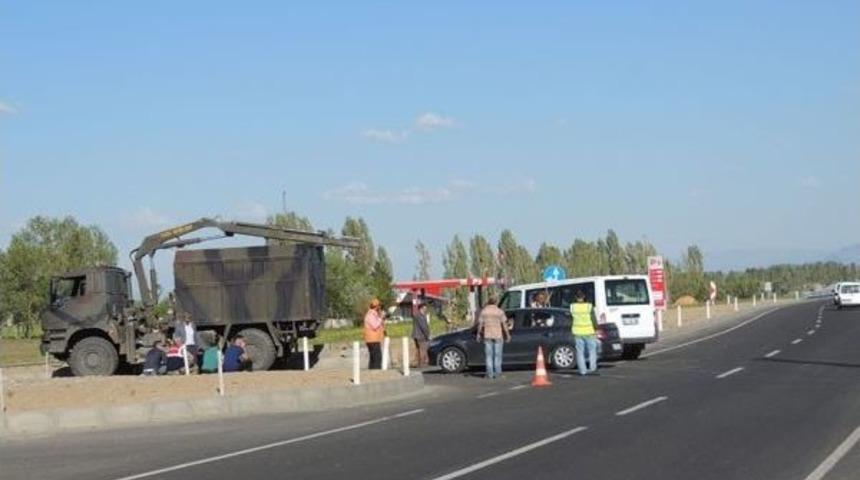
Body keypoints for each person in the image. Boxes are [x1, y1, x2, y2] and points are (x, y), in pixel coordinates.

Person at [476, 297, 510, 379]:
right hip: (498, 335)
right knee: (497, 355)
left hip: (487, 335)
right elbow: (504, 325)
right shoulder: (499, 312)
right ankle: (498, 373)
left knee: (489, 356)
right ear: (496, 302)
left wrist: (478, 334)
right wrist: (507, 335)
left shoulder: (484, 311)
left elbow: (480, 324)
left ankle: (489, 373)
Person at [570, 290, 599, 376]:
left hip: (577, 332)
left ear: (576, 297)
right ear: (584, 297)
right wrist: (596, 328)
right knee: (592, 351)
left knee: (580, 352)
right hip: (589, 331)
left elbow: (571, 319)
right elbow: (593, 319)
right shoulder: (589, 306)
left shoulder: (572, 307)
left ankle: (582, 371)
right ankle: (592, 368)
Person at [363, 298, 385, 369]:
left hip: (374, 339)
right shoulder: (370, 315)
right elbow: (375, 326)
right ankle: (376, 371)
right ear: (376, 306)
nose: (380, 308)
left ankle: (373, 371)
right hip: (372, 340)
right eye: (379, 306)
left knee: (374, 357)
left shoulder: (374, 314)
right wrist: (381, 318)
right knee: (377, 357)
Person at [412, 303, 431, 368]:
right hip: (421, 335)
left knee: (418, 349)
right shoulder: (420, 316)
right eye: (424, 309)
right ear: (420, 309)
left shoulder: (417, 315)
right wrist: (427, 335)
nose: (425, 310)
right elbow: (423, 327)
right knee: (423, 349)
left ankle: (417, 363)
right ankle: (422, 363)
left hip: (416, 335)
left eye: (425, 309)